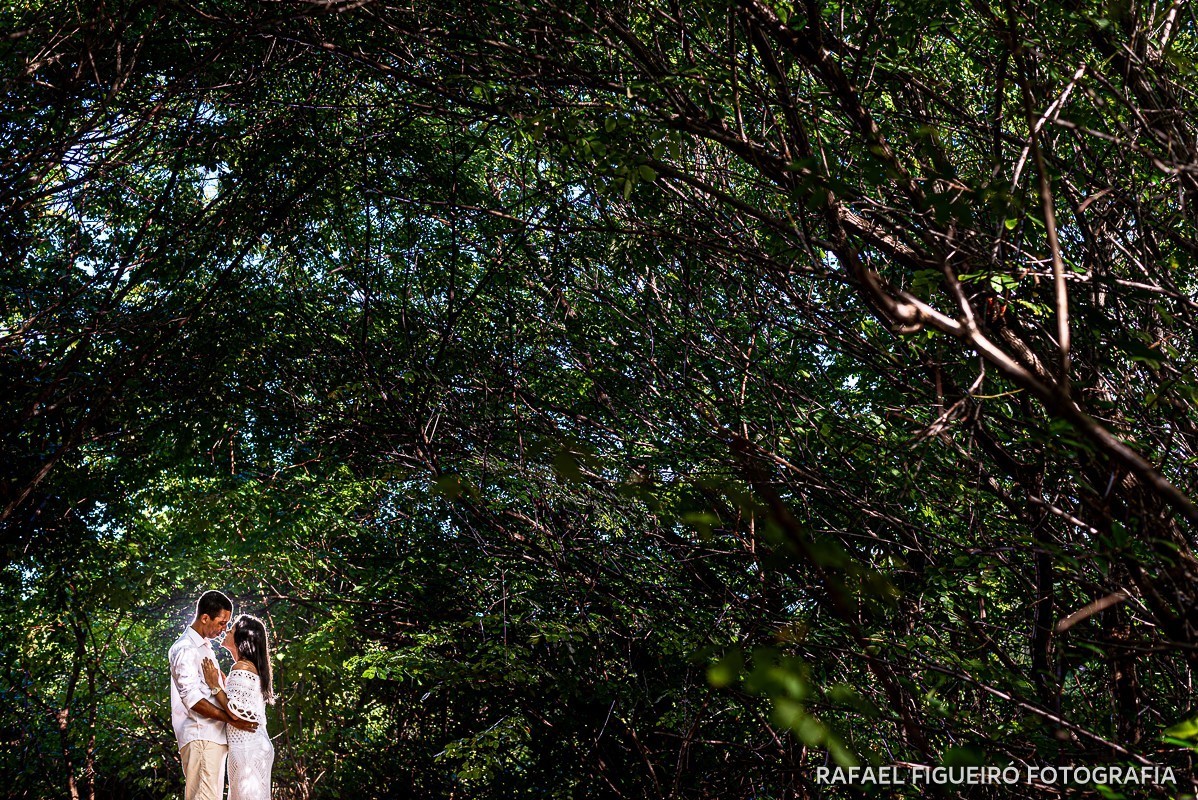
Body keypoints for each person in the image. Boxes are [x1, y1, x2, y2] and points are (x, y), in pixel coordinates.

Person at [169, 591, 259, 800]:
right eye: (221, 623)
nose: (223, 629)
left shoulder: (205, 648)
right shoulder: (185, 649)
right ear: (205, 618)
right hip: (202, 736)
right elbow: (192, 699)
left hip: (213, 739)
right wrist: (232, 719)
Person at [203, 614, 276, 800]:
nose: (227, 631)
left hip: (247, 749)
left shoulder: (241, 667)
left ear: (241, 638)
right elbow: (244, 706)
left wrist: (214, 685)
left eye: (232, 629)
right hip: (253, 747)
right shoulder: (249, 668)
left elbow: (235, 711)